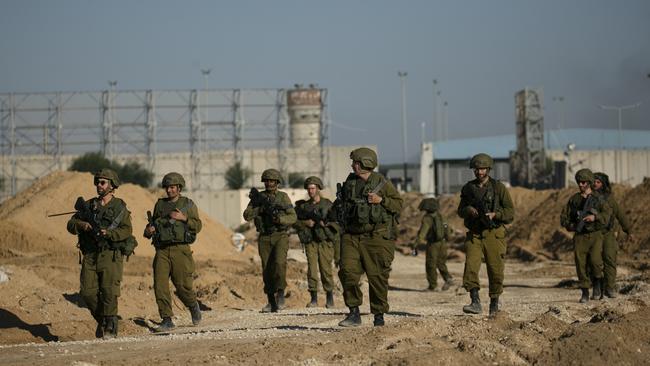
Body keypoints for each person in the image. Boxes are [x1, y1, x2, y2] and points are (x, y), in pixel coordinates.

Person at [331, 147, 403, 327]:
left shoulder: (381, 183)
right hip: (351, 236)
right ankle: (354, 312)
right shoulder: (349, 183)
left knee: (377, 276)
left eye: (356, 162)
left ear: (365, 163)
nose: (353, 166)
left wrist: (382, 200)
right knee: (347, 272)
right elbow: (339, 205)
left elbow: (398, 205)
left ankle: (379, 315)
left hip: (376, 237)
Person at [67, 169, 136, 339]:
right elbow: (70, 224)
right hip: (90, 254)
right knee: (87, 292)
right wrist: (83, 225)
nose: (99, 185)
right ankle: (103, 319)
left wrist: (109, 234)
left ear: (112, 185)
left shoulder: (119, 206)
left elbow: (127, 230)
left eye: (103, 182)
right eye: (97, 182)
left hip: (110, 254)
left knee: (109, 291)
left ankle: (111, 324)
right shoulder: (89, 205)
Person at [144, 172, 202, 332]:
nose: (169, 191)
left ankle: (193, 305)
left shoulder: (188, 204)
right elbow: (154, 225)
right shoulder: (160, 205)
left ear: (179, 188)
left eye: (172, 187)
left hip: (180, 250)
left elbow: (198, 226)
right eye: (167, 188)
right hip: (162, 250)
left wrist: (184, 219)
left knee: (182, 286)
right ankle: (167, 319)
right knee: (160, 285)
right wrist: (149, 230)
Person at [457, 153, 514, 317]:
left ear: (488, 169)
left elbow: (510, 212)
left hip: (494, 233)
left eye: (482, 169)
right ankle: (475, 301)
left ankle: (494, 304)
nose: (479, 172)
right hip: (475, 234)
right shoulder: (468, 188)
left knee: (496, 270)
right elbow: (460, 211)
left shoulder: (498, 188)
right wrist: (468, 210)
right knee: (471, 268)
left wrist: (495, 215)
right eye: (477, 169)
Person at [243, 169, 297, 312]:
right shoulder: (258, 198)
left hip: (280, 235)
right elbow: (246, 215)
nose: (269, 183)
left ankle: (280, 294)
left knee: (279, 264)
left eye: (272, 181)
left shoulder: (283, 197)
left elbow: (293, 217)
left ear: (277, 182)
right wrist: (259, 210)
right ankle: (271, 300)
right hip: (264, 237)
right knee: (267, 269)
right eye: (266, 181)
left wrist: (280, 219)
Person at [560, 168, 611, 303]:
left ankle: (597, 286)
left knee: (595, 262)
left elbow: (607, 216)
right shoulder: (574, 199)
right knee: (580, 264)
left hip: (595, 235)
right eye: (579, 182)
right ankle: (584, 292)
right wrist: (571, 225)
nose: (581, 185)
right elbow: (564, 217)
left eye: (583, 182)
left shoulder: (598, 199)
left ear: (589, 182)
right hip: (580, 236)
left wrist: (595, 217)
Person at [294, 176, 338, 308]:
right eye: (308, 189)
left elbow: (337, 221)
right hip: (310, 241)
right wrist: (305, 223)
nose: (310, 191)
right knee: (312, 270)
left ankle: (329, 297)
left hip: (325, 240)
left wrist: (326, 224)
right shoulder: (304, 206)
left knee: (326, 269)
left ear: (318, 188)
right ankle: (314, 298)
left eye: (313, 188)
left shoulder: (327, 204)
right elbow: (293, 221)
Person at [593, 172, 632, 298]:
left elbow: (620, 215)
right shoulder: (588, 198)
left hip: (609, 234)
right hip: (594, 234)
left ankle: (609, 288)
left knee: (609, 259)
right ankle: (597, 288)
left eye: (598, 182)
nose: (595, 184)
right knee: (595, 262)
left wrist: (629, 231)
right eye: (593, 182)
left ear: (603, 184)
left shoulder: (610, 199)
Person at [415, 198, 453, 291]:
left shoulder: (427, 218)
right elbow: (448, 229)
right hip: (443, 243)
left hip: (433, 244)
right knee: (441, 263)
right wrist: (448, 239)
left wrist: (416, 244)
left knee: (430, 264)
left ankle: (433, 286)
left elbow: (422, 233)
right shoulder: (442, 216)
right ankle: (448, 278)